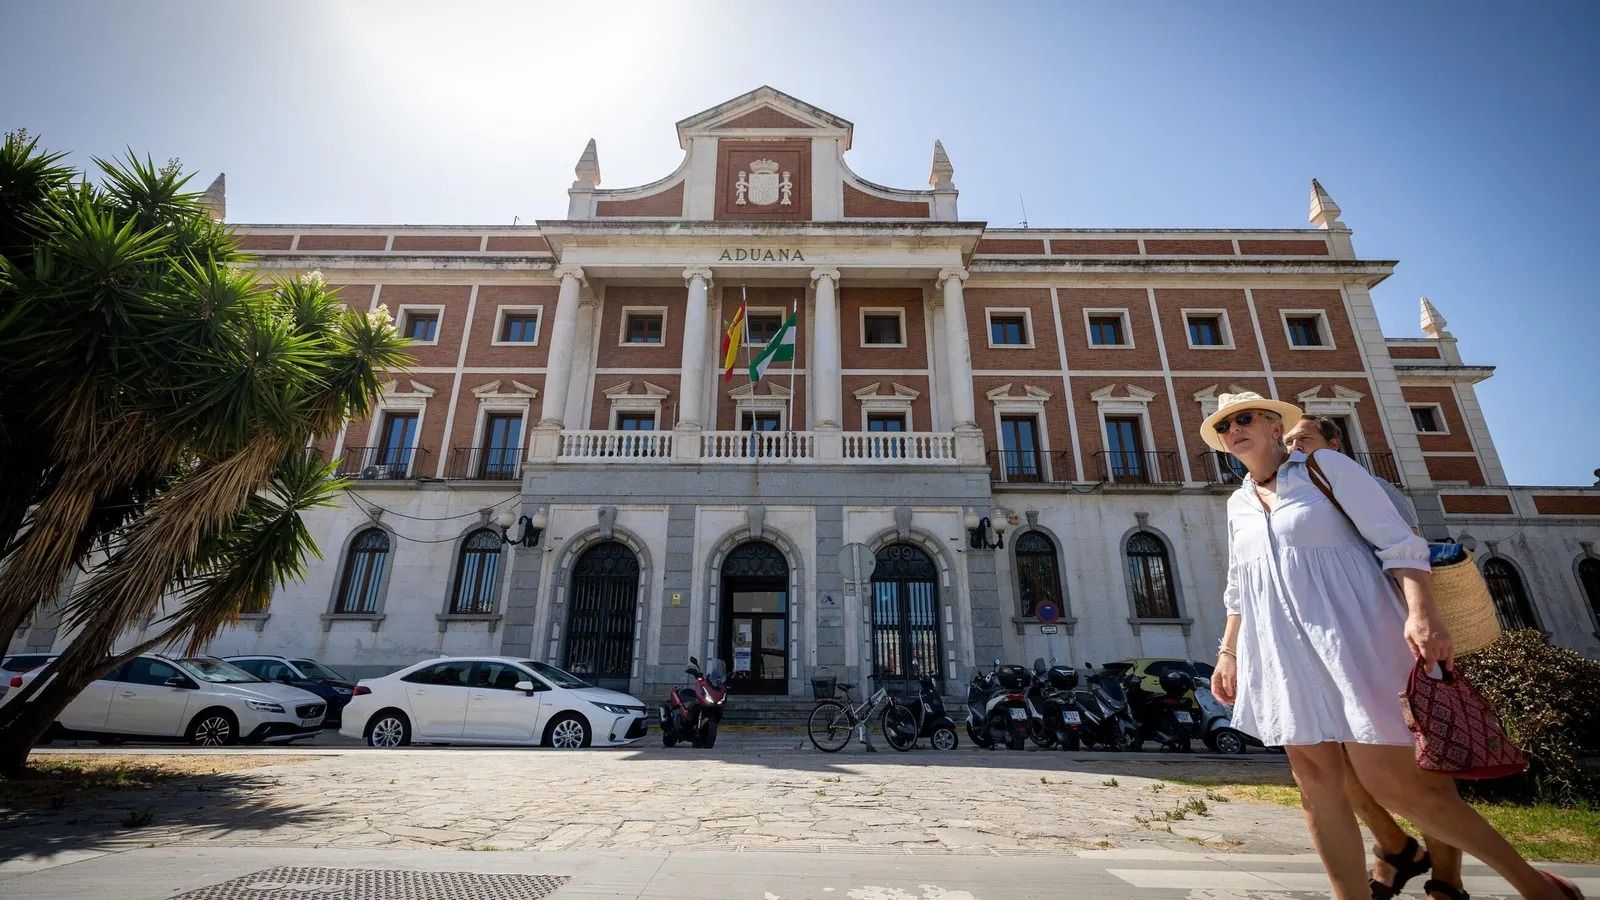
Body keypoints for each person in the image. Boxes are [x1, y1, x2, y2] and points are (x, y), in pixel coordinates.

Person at [1204, 392, 1583, 900]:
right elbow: (1239, 588)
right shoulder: (1238, 503)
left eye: (1245, 418)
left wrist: (1423, 614)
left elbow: (1400, 544)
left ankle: (1537, 887)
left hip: (1358, 638)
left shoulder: (1325, 468)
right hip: (1284, 652)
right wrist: (1229, 653)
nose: (1235, 430)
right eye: (1225, 426)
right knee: (1316, 787)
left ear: (1276, 426)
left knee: (1399, 786)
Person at [1284, 415, 1462, 900]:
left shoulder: (1363, 484)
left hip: (1392, 635)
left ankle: (1447, 881)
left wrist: (1421, 616)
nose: (1295, 448)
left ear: (1334, 444)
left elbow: (1405, 552)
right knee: (1339, 765)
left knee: (1425, 769)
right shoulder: (1288, 491)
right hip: (1340, 641)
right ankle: (1393, 847)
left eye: (1305, 439)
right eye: (1290, 442)